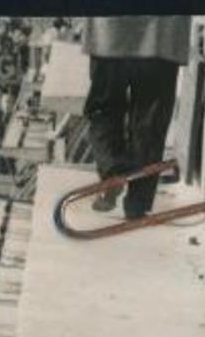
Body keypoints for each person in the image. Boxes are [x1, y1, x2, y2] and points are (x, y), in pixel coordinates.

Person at [81, 17, 190, 218]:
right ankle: (137, 203)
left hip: (109, 33)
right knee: (150, 121)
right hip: (162, 35)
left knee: (104, 109)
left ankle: (112, 169)